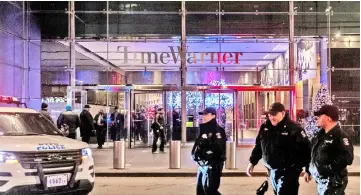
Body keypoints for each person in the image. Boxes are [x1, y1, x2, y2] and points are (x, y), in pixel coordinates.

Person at [247, 102, 311, 195]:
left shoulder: (294, 129)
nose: (272, 117)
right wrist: (252, 162)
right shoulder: (265, 127)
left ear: (283, 113)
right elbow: (259, 146)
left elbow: (306, 150)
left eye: (275, 114)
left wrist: (308, 170)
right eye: (270, 115)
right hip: (272, 171)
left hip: (289, 172)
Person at [305, 105, 354, 195]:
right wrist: (308, 170)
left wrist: (328, 169)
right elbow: (314, 153)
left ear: (328, 118)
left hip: (333, 183)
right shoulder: (320, 135)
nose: (317, 118)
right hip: (322, 183)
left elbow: (347, 157)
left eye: (320, 116)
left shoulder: (340, 136)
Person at [191, 107, 226, 195]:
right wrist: (196, 154)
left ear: (213, 115)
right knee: (201, 190)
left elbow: (218, 149)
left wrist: (205, 155)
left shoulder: (217, 130)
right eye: (202, 114)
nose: (203, 116)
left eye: (206, 114)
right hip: (202, 164)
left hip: (212, 165)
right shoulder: (206, 129)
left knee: (210, 190)